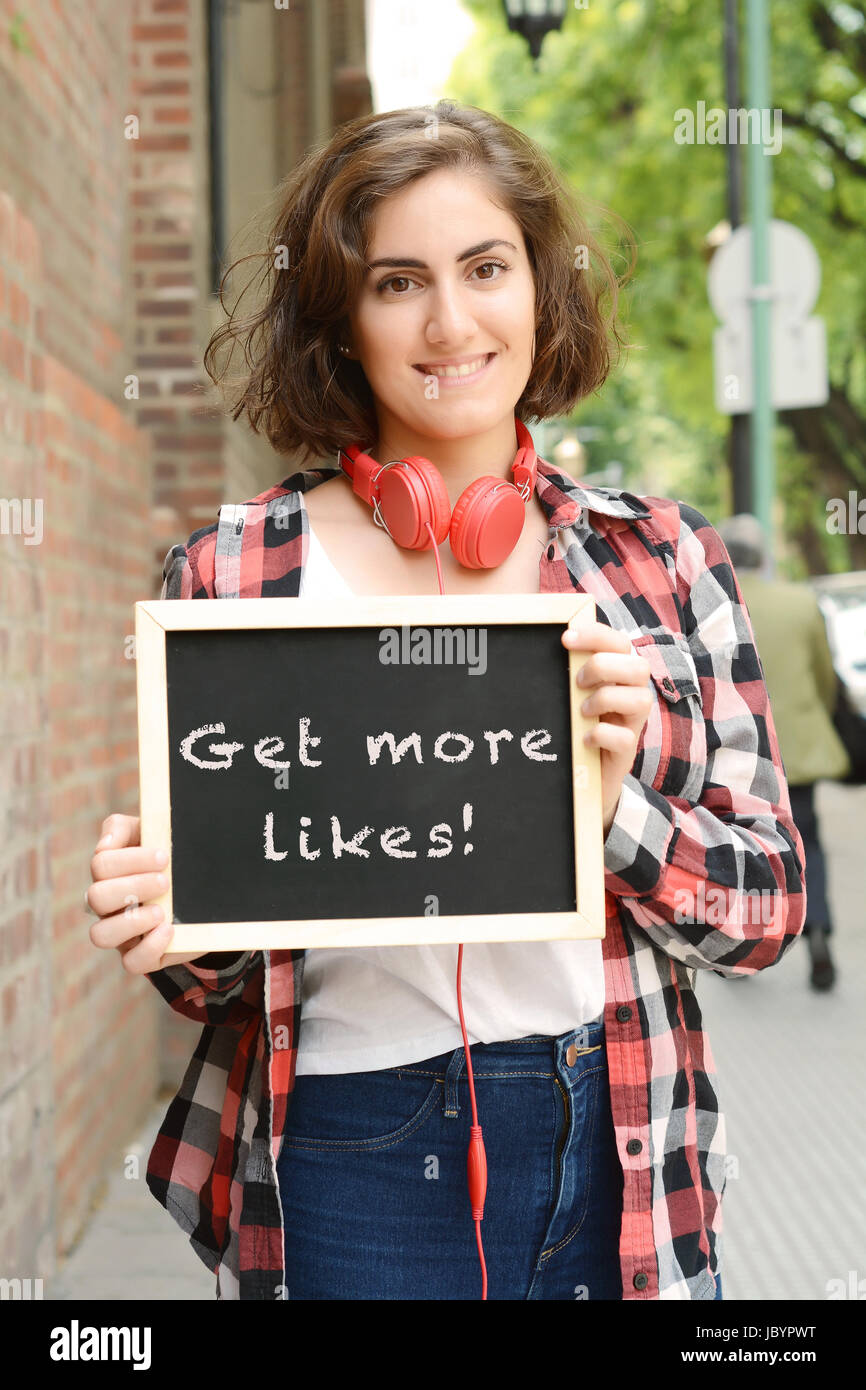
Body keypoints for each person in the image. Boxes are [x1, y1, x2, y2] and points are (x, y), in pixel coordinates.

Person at [86, 101, 806, 1301]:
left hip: (625, 1133)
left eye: (484, 268)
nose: (449, 322)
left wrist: (607, 801)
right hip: (352, 1144)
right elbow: (213, 974)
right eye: (396, 283)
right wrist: (170, 921)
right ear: (342, 323)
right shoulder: (233, 572)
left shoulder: (662, 561)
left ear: (539, 289)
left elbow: (767, 909)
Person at [717, 512, 850, 991]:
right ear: (765, 555)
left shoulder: (716, 602)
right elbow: (824, 676)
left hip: (736, 751)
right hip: (799, 746)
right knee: (807, 840)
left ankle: (747, 941)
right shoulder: (800, 602)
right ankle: (817, 930)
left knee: (742, 842)